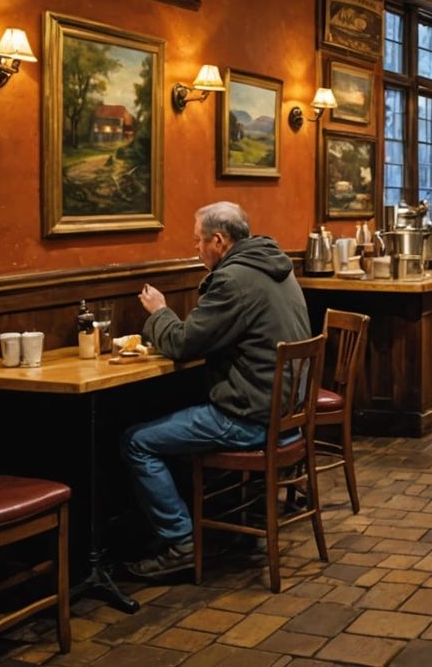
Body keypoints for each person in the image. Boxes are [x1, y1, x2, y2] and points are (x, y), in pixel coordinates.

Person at [121, 202, 311, 579]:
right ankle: (196, 524)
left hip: (251, 418)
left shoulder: (233, 280)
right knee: (171, 419)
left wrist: (158, 310)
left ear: (219, 241)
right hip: (286, 417)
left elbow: (183, 343)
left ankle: (181, 543)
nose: (195, 249)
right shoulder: (276, 266)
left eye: (197, 241)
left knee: (136, 441)